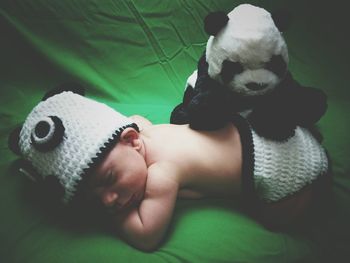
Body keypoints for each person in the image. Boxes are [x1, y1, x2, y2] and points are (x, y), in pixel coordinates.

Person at [9, 88, 330, 251]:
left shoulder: (162, 175)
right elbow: (133, 118)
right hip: (251, 129)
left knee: (274, 218)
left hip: (278, 164)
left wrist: (110, 216)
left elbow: (147, 236)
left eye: (109, 180)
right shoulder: (140, 131)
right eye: (95, 199)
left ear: (132, 140)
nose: (109, 200)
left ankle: (312, 187)